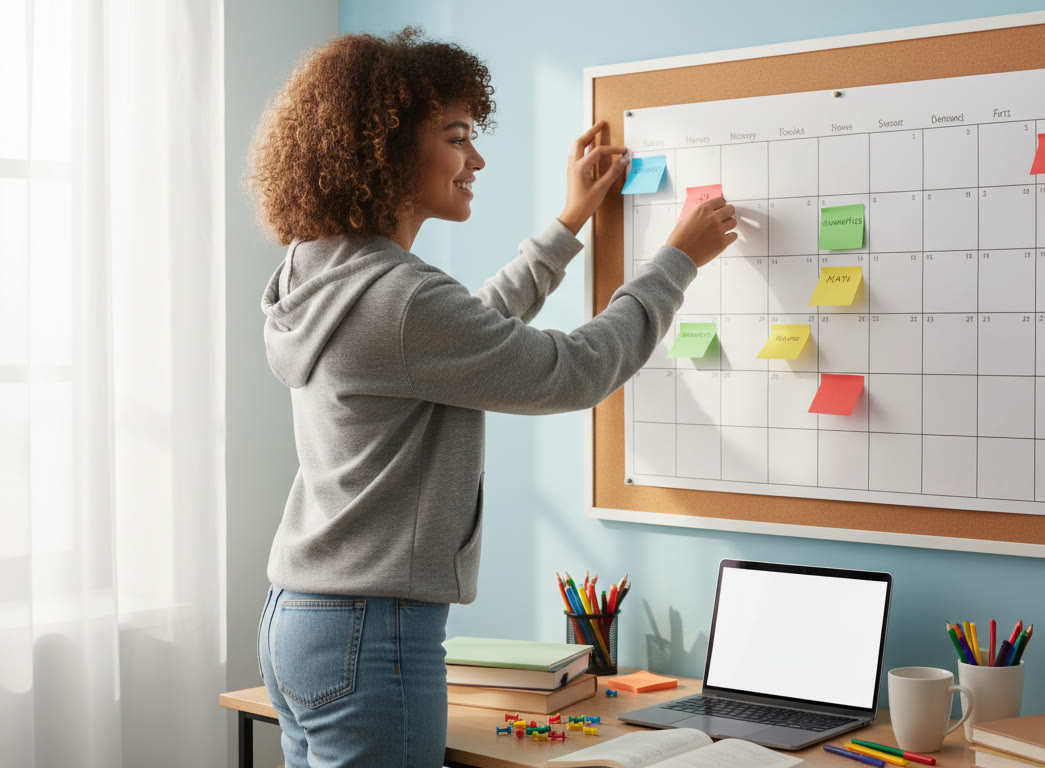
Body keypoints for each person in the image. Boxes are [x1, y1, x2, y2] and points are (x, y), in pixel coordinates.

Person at [245, 26, 736, 768]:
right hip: (373, 631)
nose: (476, 159)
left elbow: (463, 333)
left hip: (301, 618)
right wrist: (676, 261)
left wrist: (570, 223)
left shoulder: (323, 274)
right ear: (388, 150)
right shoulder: (401, 301)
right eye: (457, 138)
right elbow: (575, 370)